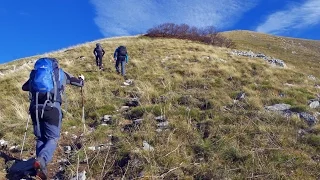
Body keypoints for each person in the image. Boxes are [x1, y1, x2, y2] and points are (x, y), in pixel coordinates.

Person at [22, 57, 84, 179]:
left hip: (35, 109)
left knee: (41, 137)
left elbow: (24, 87)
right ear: (56, 65)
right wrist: (82, 79)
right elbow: (79, 83)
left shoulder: (35, 74)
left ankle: (39, 169)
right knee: (53, 138)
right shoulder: (60, 73)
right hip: (52, 108)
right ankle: (42, 160)